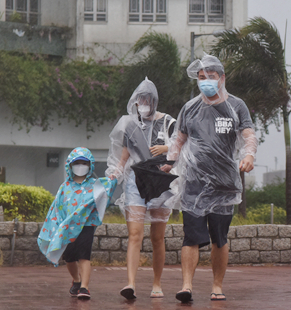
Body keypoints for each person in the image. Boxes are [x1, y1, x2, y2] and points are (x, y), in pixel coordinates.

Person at [160, 54, 257, 303]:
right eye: (201, 78)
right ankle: (186, 286)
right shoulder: (190, 107)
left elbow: (248, 135)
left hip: (224, 184)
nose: (205, 82)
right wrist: (169, 163)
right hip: (193, 183)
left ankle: (217, 285)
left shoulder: (236, 106)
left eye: (211, 77)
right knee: (190, 236)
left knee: (219, 238)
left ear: (222, 78)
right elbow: (178, 140)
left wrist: (249, 156)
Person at [106, 78, 177, 300]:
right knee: (134, 235)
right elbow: (124, 156)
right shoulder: (130, 124)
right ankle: (130, 284)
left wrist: (167, 148)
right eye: (140, 100)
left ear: (155, 101)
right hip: (135, 182)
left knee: (157, 237)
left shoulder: (168, 122)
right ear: (135, 102)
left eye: (148, 99)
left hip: (160, 183)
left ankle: (157, 283)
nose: (144, 103)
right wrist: (115, 174)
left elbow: (183, 145)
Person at [38, 147, 117, 300]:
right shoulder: (65, 187)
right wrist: (55, 227)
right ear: (70, 165)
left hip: (87, 226)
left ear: (90, 165)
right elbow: (56, 208)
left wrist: (112, 180)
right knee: (69, 257)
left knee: (84, 256)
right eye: (77, 163)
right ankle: (76, 280)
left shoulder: (95, 185)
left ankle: (84, 288)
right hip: (68, 228)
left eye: (84, 163)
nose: (80, 166)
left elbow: (106, 193)